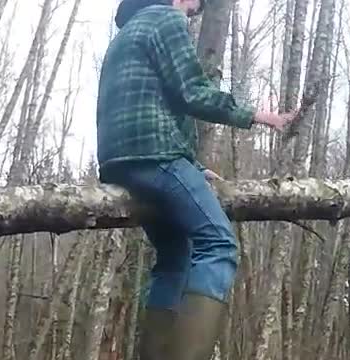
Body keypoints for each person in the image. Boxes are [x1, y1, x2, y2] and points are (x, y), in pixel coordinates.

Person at [95, 0, 295, 359]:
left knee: (175, 255)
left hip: (118, 159)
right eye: (194, 7)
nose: (193, 13)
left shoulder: (128, 33)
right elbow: (192, 93)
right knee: (219, 245)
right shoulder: (167, 18)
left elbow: (161, 100)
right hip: (155, 153)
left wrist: (189, 164)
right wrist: (259, 116)